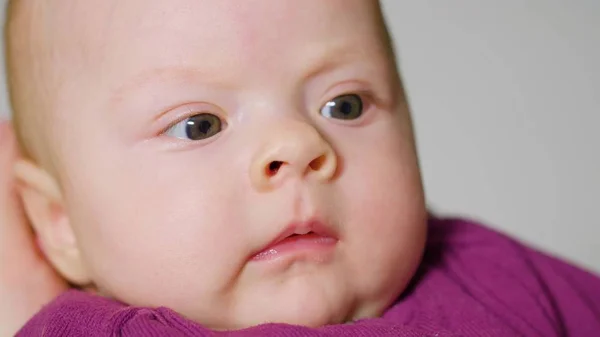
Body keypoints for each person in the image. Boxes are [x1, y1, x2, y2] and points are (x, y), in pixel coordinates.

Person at [2, 1, 599, 336]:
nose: (296, 143)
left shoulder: (499, 278)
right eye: (199, 125)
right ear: (61, 222)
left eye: (345, 104)